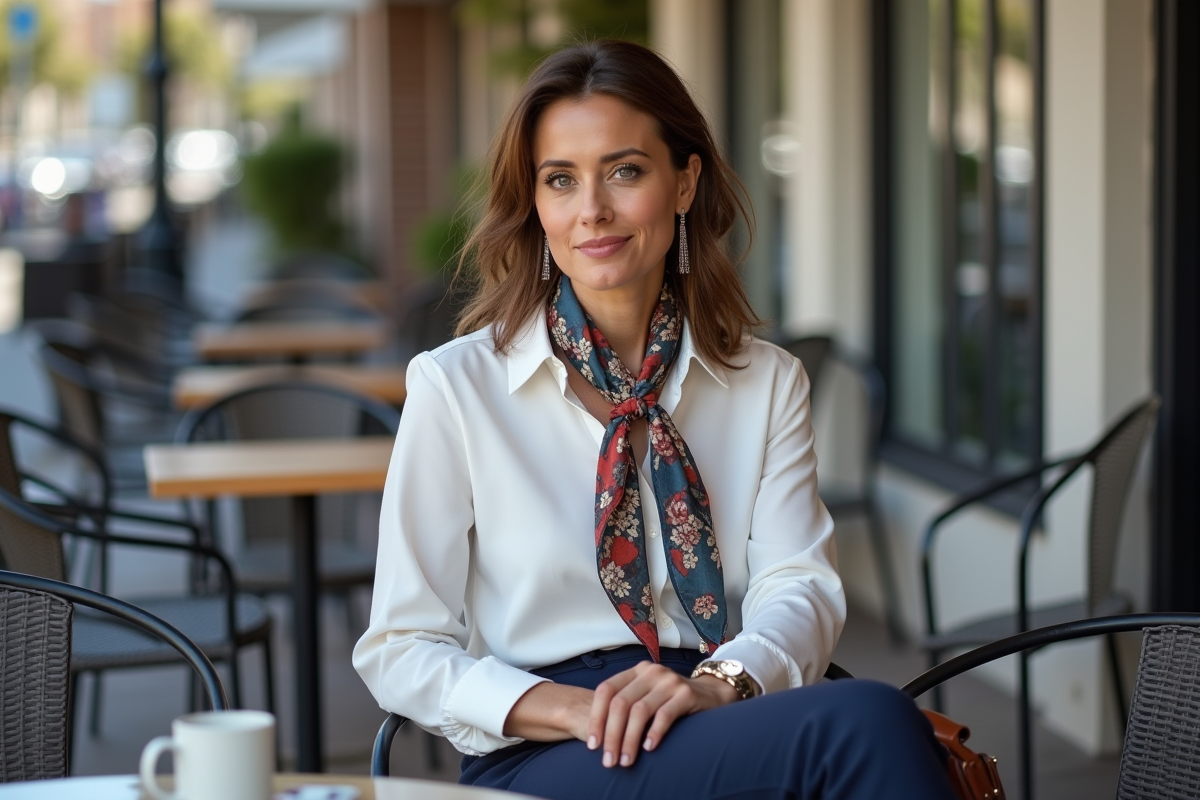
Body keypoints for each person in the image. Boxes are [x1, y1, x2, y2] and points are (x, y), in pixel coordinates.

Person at [354, 39, 956, 799]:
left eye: (625, 171)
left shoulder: (767, 383)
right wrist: (570, 709)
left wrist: (721, 683)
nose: (592, 210)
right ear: (536, 204)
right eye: (561, 180)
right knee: (868, 723)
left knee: (869, 725)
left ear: (684, 183)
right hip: (545, 747)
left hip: (705, 705)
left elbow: (798, 585)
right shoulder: (456, 386)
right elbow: (400, 645)